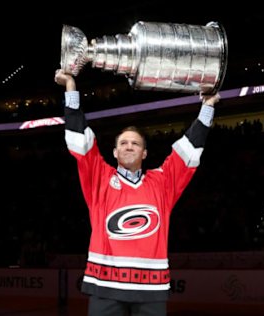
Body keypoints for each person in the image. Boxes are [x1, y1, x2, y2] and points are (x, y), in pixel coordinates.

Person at [54, 69, 220, 316]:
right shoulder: (99, 177)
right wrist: (70, 86)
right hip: (105, 285)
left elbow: (189, 149)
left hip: (151, 288)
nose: (129, 146)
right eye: (123, 143)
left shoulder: (162, 182)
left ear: (144, 153)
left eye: (135, 143)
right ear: (114, 152)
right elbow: (78, 138)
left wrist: (207, 106)